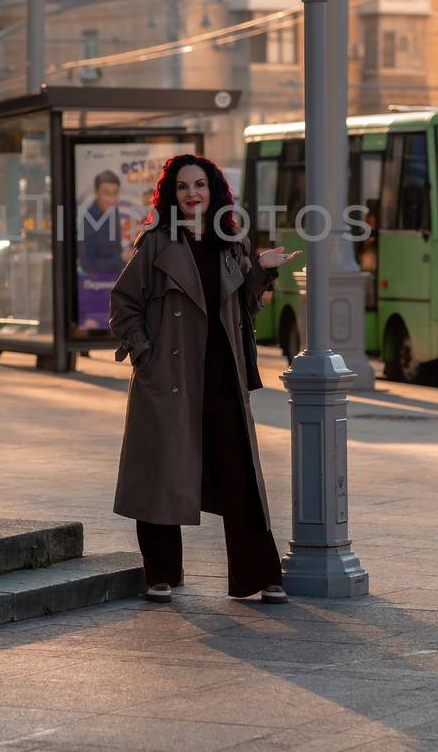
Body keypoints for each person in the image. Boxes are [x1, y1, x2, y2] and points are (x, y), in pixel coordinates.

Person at [108, 153, 301, 605]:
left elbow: (242, 311)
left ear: (213, 191)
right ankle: (161, 574)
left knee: (242, 479)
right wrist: (144, 354)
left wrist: (261, 271)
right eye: (182, 187)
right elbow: (123, 303)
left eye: (200, 185)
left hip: (221, 378)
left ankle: (260, 574)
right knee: (160, 474)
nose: (192, 194)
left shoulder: (230, 242)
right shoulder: (156, 243)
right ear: (171, 195)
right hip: (170, 378)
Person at [79, 169, 129, 275]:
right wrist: (121, 259)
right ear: (96, 194)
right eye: (106, 193)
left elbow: (114, 249)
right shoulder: (89, 221)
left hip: (114, 281)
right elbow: (87, 265)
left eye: (115, 193)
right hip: (95, 287)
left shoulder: (112, 211)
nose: (111, 200)